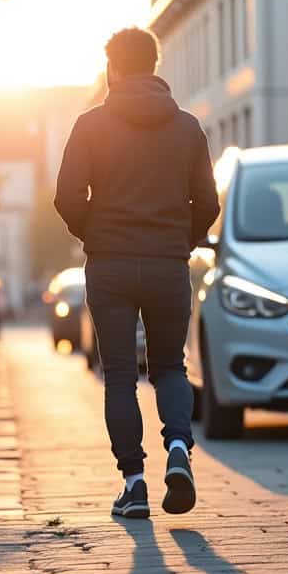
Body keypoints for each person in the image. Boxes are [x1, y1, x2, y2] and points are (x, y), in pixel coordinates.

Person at [54, 27, 219, 519]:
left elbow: (66, 198)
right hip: (168, 266)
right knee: (169, 367)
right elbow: (208, 204)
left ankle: (133, 483)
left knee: (121, 376)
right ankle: (179, 451)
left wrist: (95, 236)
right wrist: (178, 241)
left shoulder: (90, 126)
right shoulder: (188, 127)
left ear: (114, 69)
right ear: (154, 66)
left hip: (110, 268)